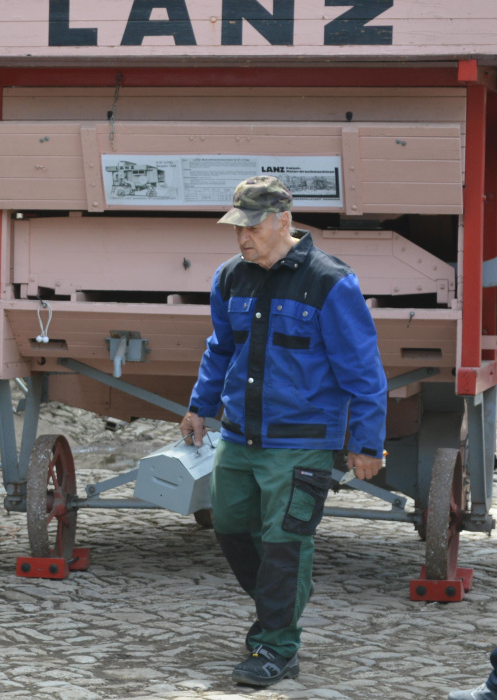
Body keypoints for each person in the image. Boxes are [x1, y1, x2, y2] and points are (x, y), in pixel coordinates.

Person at [180, 176, 387, 687]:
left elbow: (364, 370)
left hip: (299, 444)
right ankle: (279, 610)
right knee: (229, 528)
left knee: (285, 544)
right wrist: (198, 406)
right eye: (237, 227)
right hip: (238, 436)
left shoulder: (330, 282)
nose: (243, 237)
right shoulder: (230, 277)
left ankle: (277, 646)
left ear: (283, 221)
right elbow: (220, 348)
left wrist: (365, 442)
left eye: (252, 226)